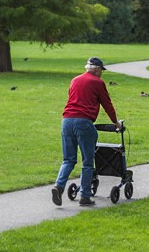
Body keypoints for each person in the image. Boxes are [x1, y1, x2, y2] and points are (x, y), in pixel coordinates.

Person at [51, 56, 120, 207]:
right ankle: (85, 197)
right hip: (84, 123)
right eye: (101, 70)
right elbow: (107, 104)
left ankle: (59, 186)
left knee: (68, 159)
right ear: (96, 69)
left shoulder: (75, 80)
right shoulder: (97, 82)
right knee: (88, 162)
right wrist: (115, 123)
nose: (102, 73)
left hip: (66, 121)